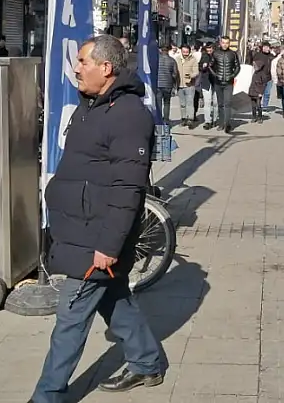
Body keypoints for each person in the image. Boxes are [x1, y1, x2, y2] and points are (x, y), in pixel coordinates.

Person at [32, 35, 163, 400]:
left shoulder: (129, 115)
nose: (76, 68)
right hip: (77, 229)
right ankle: (147, 363)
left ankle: (47, 395)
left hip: (96, 238)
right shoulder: (90, 105)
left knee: (70, 319)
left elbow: (128, 188)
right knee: (115, 299)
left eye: (83, 62)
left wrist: (108, 245)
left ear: (106, 69)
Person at [211, 36, 240, 133]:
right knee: (220, 104)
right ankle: (221, 123)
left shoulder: (233, 54)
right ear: (220, 43)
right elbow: (210, 66)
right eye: (223, 42)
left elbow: (237, 67)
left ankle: (227, 124)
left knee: (227, 103)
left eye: (227, 43)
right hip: (218, 83)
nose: (225, 44)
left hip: (228, 83)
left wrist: (232, 76)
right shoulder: (215, 53)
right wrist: (215, 75)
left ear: (229, 43)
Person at [248, 42, 274, 123]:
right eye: (265, 47)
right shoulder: (258, 55)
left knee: (265, 94)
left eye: (268, 47)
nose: (266, 49)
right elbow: (251, 62)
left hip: (268, 77)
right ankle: (255, 116)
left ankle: (263, 110)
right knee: (254, 100)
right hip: (257, 79)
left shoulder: (271, 56)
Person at [176, 45, 199, 128]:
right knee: (182, 104)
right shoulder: (177, 59)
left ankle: (190, 120)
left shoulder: (193, 59)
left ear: (189, 51)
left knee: (189, 103)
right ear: (181, 51)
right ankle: (183, 119)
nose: (185, 53)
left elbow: (196, 72)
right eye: (184, 52)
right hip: (179, 84)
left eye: (187, 52)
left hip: (190, 85)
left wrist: (191, 76)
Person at [155, 45, 179, 122]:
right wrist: (174, 84)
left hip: (158, 84)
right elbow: (175, 74)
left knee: (158, 103)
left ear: (161, 50)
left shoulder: (156, 60)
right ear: (168, 50)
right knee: (167, 103)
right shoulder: (172, 60)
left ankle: (158, 119)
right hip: (168, 84)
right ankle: (166, 119)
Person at [198, 42, 218, 129]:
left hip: (216, 82)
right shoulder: (204, 56)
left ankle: (215, 119)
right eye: (207, 48)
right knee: (207, 102)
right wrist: (203, 66)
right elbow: (199, 66)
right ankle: (207, 121)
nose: (209, 50)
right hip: (206, 82)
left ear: (213, 48)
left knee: (216, 103)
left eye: (210, 48)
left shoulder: (217, 56)